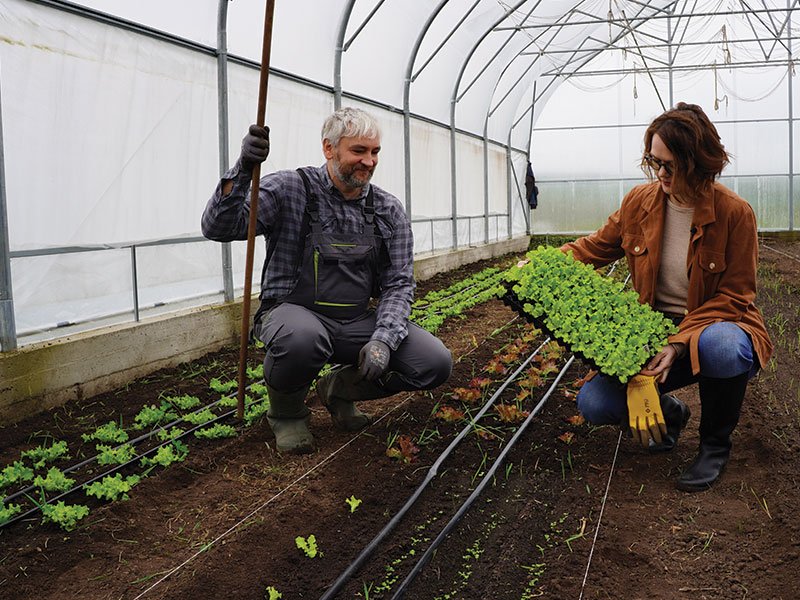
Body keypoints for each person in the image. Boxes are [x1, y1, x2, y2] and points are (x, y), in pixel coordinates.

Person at [202, 107, 452, 454]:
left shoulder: (387, 209)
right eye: (359, 151)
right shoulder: (291, 189)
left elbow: (398, 284)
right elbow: (218, 227)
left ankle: (339, 389)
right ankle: (287, 415)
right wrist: (243, 169)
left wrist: (382, 340)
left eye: (375, 151)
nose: (369, 161)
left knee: (433, 362)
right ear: (329, 149)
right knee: (303, 338)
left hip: (355, 322)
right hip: (291, 314)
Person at [561, 102, 773, 492]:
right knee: (595, 403)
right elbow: (592, 248)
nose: (660, 173)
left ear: (700, 163)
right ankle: (672, 414)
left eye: (671, 165)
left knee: (722, 347)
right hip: (654, 330)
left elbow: (735, 295)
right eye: (654, 161)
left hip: (713, 325)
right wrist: (540, 266)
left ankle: (713, 446)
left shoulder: (734, 213)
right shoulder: (638, 203)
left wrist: (677, 346)